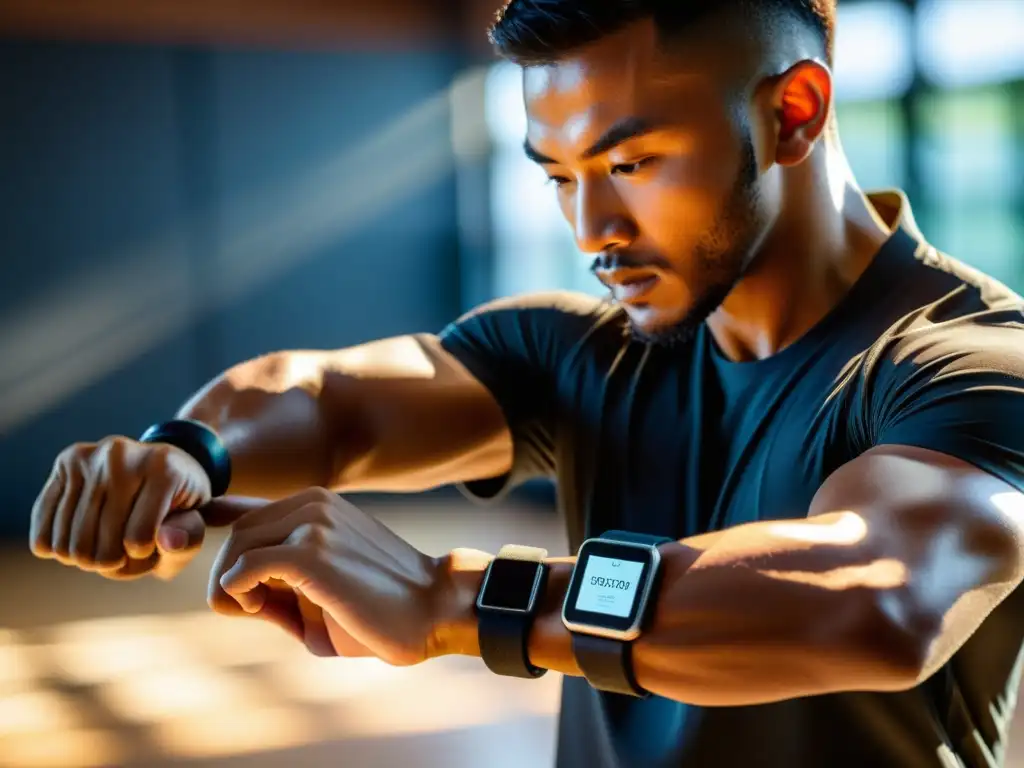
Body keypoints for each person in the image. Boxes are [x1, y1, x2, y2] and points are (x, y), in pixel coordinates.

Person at [27, 1, 1024, 766]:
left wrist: (452, 597)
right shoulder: (583, 349)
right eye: (557, 174)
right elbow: (332, 400)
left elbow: (877, 598)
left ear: (793, 112)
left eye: (631, 160)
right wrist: (187, 453)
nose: (590, 227)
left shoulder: (969, 360)